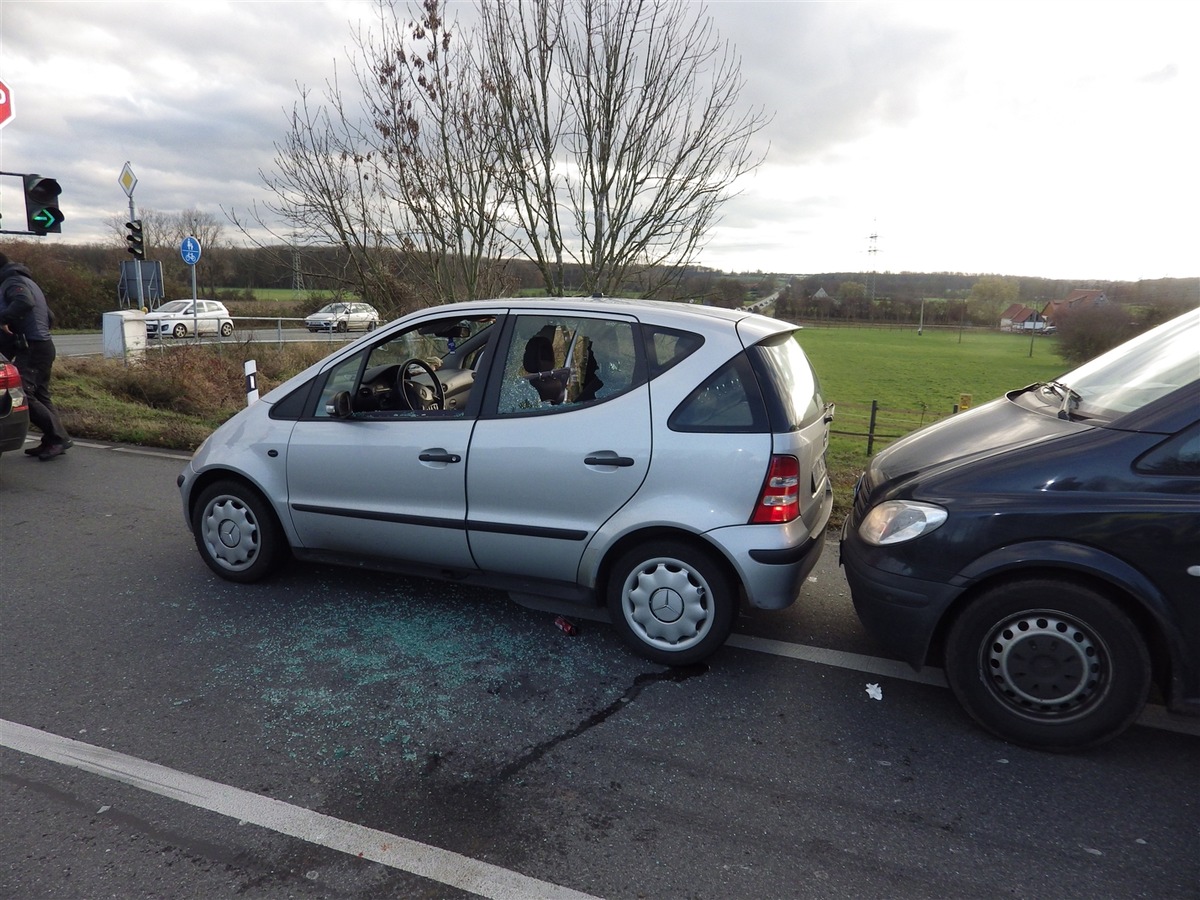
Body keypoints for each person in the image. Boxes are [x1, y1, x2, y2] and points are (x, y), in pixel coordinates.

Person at [0, 251, 73, 460]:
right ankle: (54, 439)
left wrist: (4, 319)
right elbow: (49, 316)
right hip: (42, 345)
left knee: (22, 393)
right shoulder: (26, 280)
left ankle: (58, 438)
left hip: (32, 347)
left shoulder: (12, 282)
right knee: (40, 394)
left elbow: (24, 302)